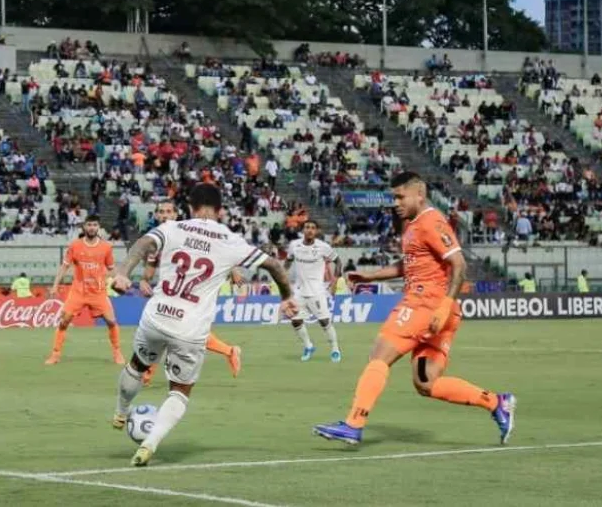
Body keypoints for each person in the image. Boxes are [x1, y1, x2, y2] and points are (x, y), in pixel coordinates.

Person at [314, 172, 516, 447]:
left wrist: (443, 306)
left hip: (425, 304)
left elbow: (459, 264)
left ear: (419, 195)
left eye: (400, 196)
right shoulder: (412, 226)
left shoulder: (431, 221)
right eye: (393, 197)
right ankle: (496, 402)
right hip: (436, 312)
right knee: (427, 383)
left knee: (379, 356)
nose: (395, 203)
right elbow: (409, 264)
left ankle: (354, 423)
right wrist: (372, 276)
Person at [111, 183, 297, 466]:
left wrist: (123, 272)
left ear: (190, 207)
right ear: (220, 210)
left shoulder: (174, 228)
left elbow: (143, 244)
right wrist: (287, 297)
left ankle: (121, 410)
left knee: (137, 365)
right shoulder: (231, 240)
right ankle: (150, 443)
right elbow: (274, 265)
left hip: (157, 315)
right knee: (179, 390)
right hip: (190, 328)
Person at [140, 201, 242, 386]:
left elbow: (219, 247)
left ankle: (146, 376)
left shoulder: (190, 232)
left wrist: (233, 270)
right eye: (161, 212)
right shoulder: (155, 241)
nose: (165, 215)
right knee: (178, 331)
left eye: (169, 211)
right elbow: (149, 268)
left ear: (176, 214)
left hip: (195, 291)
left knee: (173, 331)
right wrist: (144, 280)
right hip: (170, 293)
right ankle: (229, 351)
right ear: (156, 216)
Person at [44, 215, 122, 365]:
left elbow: (111, 269)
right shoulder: (75, 246)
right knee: (64, 321)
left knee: (111, 321)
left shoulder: (106, 247)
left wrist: (119, 281)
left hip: (98, 292)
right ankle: (55, 354)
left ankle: (117, 352)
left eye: (94, 225)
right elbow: (64, 267)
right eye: (89, 225)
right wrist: (55, 285)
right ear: (84, 227)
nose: (92, 227)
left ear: (98, 227)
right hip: (78, 291)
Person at [286, 219, 341, 362]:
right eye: (307, 227)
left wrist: (334, 281)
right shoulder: (294, 245)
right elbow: (288, 260)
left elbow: (338, 261)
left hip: (317, 291)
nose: (310, 230)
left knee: (324, 321)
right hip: (299, 291)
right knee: (295, 321)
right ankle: (308, 346)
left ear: (316, 231)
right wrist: (282, 275)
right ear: (303, 230)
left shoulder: (323, 247)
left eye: (312, 228)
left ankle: (335, 349)